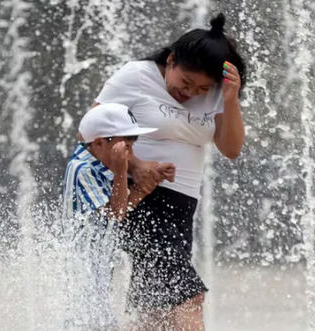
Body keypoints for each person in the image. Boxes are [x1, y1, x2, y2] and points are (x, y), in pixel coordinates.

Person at [92, 12, 246, 330]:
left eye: (202, 89)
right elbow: (91, 131)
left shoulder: (219, 93)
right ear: (172, 60)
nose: (190, 93)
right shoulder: (136, 76)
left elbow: (231, 149)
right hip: (139, 195)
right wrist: (135, 164)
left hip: (180, 208)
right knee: (187, 297)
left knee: (155, 313)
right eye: (185, 82)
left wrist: (230, 100)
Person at [61, 102, 172, 329]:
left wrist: (144, 187)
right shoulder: (82, 168)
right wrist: (122, 171)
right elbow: (116, 213)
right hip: (81, 270)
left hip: (98, 266)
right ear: (100, 142)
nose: (129, 153)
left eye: (131, 145)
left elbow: (115, 211)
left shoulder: (99, 165)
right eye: (125, 146)